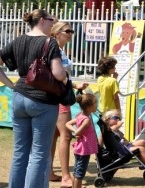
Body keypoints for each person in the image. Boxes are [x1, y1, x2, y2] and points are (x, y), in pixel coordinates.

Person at [0, 9, 67, 188]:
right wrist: (66, 75)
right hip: (43, 100)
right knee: (39, 153)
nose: (52, 23)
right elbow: (57, 73)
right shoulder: (50, 42)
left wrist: (11, 85)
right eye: (50, 20)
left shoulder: (18, 40)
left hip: (19, 96)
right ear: (41, 21)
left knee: (20, 152)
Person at [49, 21, 88, 187]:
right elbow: (57, 75)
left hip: (57, 96)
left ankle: (50, 171)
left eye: (71, 30)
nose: (71, 33)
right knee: (65, 135)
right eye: (68, 30)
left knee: (55, 136)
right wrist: (71, 85)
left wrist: (74, 85)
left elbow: (61, 76)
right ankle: (66, 177)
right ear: (57, 33)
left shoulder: (58, 50)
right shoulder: (55, 50)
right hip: (59, 97)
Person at [102, 110, 145, 177]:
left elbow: (124, 139)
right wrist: (118, 125)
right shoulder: (108, 129)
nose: (118, 120)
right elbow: (111, 130)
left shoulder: (116, 130)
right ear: (108, 119)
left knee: (142, 142)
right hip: (120, 151)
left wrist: (128, 141)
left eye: (119, 118)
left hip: (124, 147)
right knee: (141, 149)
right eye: (115, 118)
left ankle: (143, 162)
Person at [65, 93, 99, 188]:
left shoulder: (80, 116)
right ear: (89, 106)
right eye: (95, 103)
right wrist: (77, 132)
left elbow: (67, 124)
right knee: (79, 174)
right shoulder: (86, 120)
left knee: (77, 172)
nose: (97, 105)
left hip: (79, 149)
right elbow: (77, 133)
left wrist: (75, 130)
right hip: (84, 151)